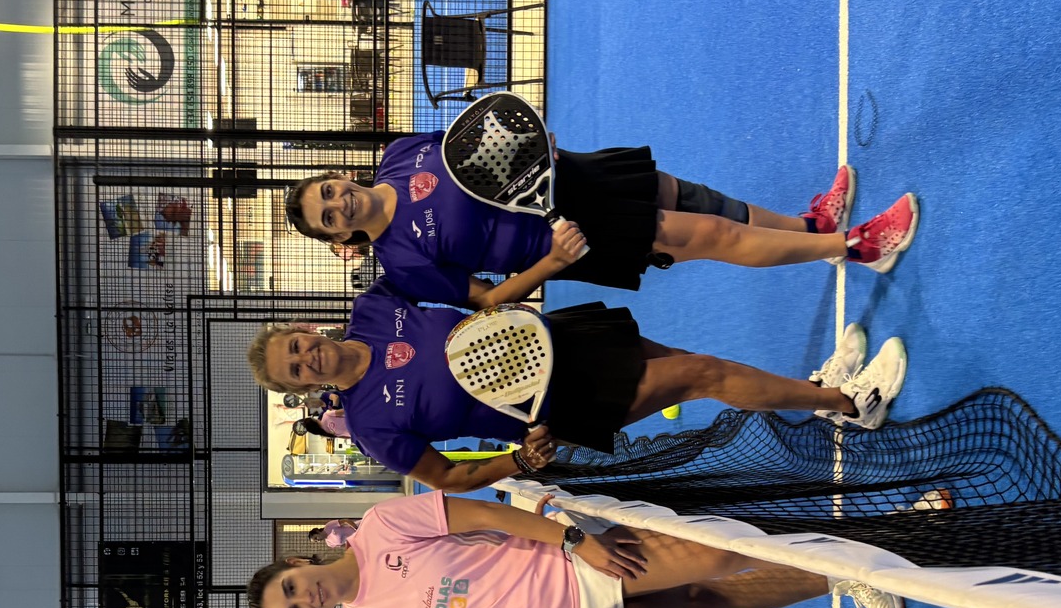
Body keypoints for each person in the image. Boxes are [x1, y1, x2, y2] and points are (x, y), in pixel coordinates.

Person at [246, 279, 906, 492]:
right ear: (300, 388)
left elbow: (467, 292)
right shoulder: (370, 426)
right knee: (700, 376)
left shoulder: (373, 305)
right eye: (295, 370)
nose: (308, 359)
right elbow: (444, 477)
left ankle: (817, 392)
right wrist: (518, 460)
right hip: (552, 406)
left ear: (305, 329)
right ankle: (849, 403)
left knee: (686, 359)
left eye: (297, 347)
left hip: (554, 338)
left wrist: (513, 294)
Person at [248, 487, 908, 608]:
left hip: (575, 569)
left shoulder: (383, 525)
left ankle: (891, 529)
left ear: (297, 562)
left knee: (722, 553)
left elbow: (488, 515)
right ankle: (845, 575)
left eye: (291, 588)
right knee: (707, 602)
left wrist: (573, 541)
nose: (306, 599)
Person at [284, 142, 917, 308]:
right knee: (707, 236)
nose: (339, 204)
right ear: (338, 238)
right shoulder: (401, 264)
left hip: (571, 178)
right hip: (565, 236)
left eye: (329, 191)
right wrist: (553, 263)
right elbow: (485, 300)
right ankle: (854, 247)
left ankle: (810, 226)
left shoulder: (400, 155)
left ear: (338, 177)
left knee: (686, 193)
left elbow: (478, 147)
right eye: (328, 216)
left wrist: (537, 146)